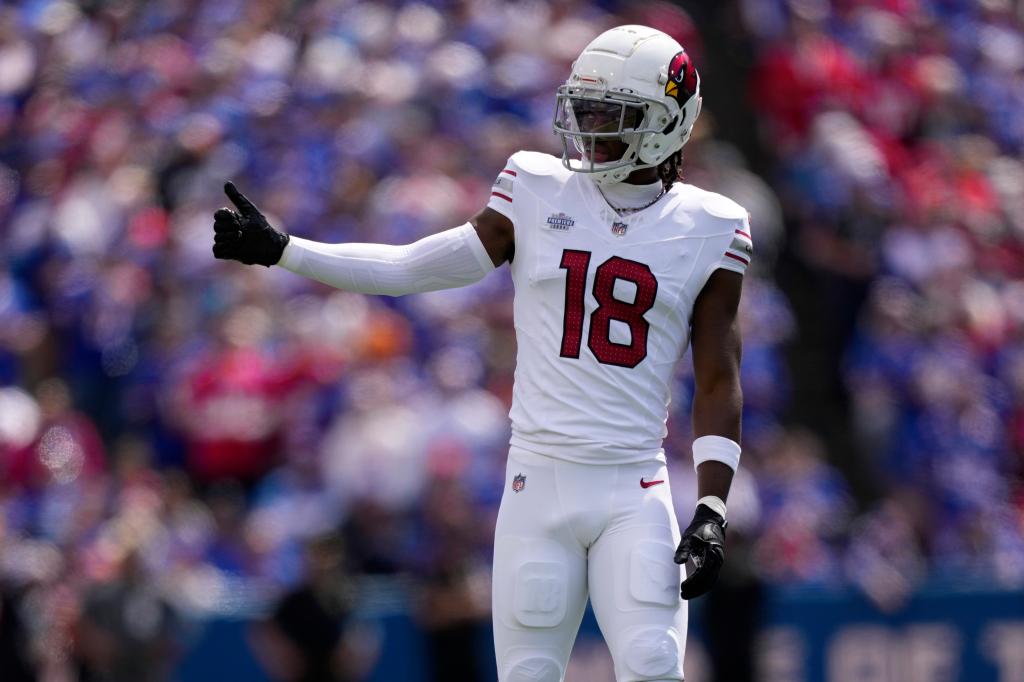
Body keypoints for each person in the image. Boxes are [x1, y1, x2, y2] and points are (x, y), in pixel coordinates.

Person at [212, 24, 750, 682]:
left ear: (669, 125)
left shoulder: (712, 225)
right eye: (585, 108)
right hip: (537, 482)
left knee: (654, 665)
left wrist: (713, 508)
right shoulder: (535, 185)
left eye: (612, 114)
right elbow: (416, 266)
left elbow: (719, 376)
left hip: (634, 487)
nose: (589, 127)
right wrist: (289, 250)